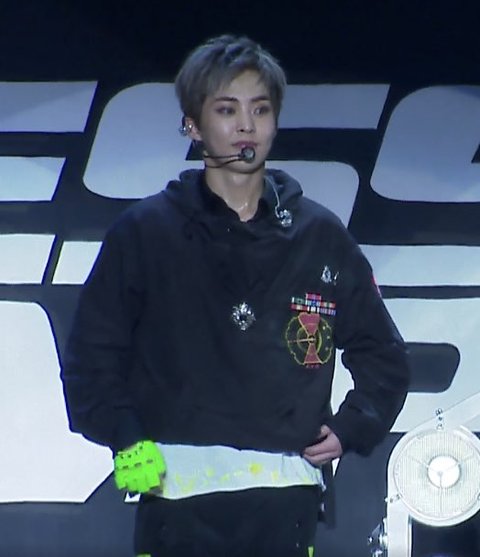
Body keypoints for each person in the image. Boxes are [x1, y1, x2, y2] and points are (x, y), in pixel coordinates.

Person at [61, 34, 410, 557]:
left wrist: (351, 427)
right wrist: (126, 437)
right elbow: (91, 357)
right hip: (174, 499)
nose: (247, 126)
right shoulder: (145, 233)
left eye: (260, 110)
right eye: (227, 110)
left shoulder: (319, 235)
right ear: (192, 125)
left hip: (286, 499)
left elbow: (384, 355)